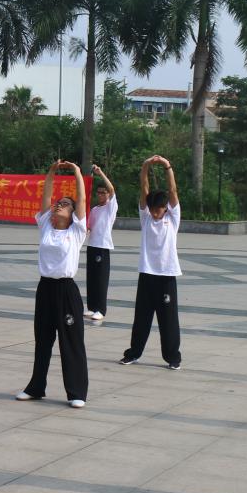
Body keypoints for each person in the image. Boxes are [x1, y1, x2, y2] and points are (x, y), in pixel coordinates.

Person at [17, 159, 91, 407]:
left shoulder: (76, 231)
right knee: (43, 340)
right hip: (45, 288)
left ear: (73, 214)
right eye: (58, 203)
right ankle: (36, 387)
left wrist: (77, 172)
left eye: (65, 204)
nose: (59, 205)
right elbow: (46, 195)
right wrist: (51, 172)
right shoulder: (46, 227)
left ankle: (77, 392)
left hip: (66, 290)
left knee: (71, 342)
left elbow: (82, 199)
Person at [120, 155, 183, 370]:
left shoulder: (172, 219)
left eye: (159, 209)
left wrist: (167, 166)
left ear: (166, 208)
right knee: (141, 318)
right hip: (147, 274)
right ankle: (133, 353)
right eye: (153, 209)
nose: (155, 213)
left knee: (168, 320)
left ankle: (173, 357)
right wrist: (145, 166)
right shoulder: (145, 218)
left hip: (167, 276)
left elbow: (172, 191)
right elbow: (144, 187)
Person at [84, 165, 117, 322]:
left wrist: (100, 173)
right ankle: (91, 307)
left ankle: (101, 309)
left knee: (101, 279)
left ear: (108, 194)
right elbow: (89, 227)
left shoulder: (111, 207)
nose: (100, 195)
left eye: (103, 193)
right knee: (91, 277)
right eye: (98, 192)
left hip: (103, 247)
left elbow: (112, 188)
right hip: (92, 245)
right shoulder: (95, 209)